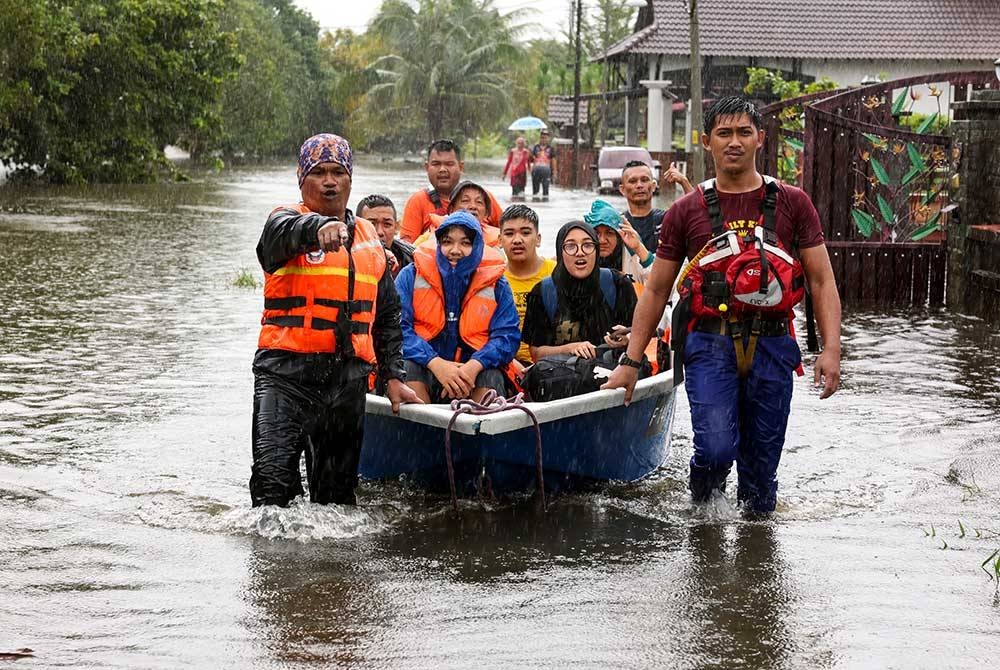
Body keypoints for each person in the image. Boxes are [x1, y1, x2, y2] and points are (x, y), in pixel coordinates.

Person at [602, 96, 842, 516]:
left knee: (761, 473)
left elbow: (821, 280)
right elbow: (657, 289)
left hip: (772, 344)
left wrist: (832, 349)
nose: (734, 142)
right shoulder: (684, 212)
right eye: (724, 133)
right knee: (715, 449)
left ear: (759, 139)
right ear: (706, 142)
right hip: (708, 344)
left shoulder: (792, 203)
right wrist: (631, 360)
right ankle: (704, 519)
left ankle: (756, 554)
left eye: (744, 132)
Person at [250, 133, 421, 508]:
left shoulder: (369, 239)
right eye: (319, 173)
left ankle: (331, 570)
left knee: (336, 504)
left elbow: (388, 317)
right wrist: (315, 228)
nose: (330, 181)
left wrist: (393, 376)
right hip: (286, 377)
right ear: (302, 179)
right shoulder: (284, 222)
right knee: (272, 493)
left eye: (338, 172)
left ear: (349, 179)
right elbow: (277, 238)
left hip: (346, 381)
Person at [395, 210, 520, 404]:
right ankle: (421, 429)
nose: (455, 250)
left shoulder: (498, 285)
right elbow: (397, 330)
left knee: (491, 375)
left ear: (477, 246)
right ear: (438, 244)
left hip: (473, 374)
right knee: (406, 367)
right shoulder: (409, 276)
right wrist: (436, 364)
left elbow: (507, 337)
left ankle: (478, 429)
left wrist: (474, 365)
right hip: (426, 369)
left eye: (465, 243)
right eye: (447, 242)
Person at [521, 221, 638, 362]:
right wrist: (570, 349)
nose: (580, 252)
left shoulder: (618, 284)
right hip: (563, 376)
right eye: (570, 246)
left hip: (613, 372)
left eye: (588, 245)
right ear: (560, 251)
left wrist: (627, 339)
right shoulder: (542, 293)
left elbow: (641, 334)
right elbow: (536, 353)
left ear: (596, 250)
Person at [400, 139, 504, 243]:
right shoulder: (417, 201)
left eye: (449, 164)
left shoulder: (484, 197)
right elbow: (406, 248)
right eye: (436, 164)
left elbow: (509, 232)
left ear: (461, 166)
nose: (442, 169)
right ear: (427, 167)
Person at [498, 204, 556, 365]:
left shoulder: (557, 274)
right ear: (500, 240)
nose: (517, 240)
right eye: (509, 233)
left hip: (553, 362)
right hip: (507, 363)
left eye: (525, 233)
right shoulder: (492, 278)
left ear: (538, 239)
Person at [619, 159, 693, 253]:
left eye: (644, 180)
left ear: (654, 186)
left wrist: (684, 181)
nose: (639, 185)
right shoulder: (619, 224)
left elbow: (696, 215)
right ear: (622, 189)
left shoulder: (667, 219)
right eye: (633, 181)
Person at [583, 199, 654, 285]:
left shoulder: (632, 257)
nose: (602, 240)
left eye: (609, 233)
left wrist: (638, 248)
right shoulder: (580, 257)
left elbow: (661, 287)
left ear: (618, 236)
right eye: (596, 233)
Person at [356, 194, 413, 278]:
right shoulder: (346, 257)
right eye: (371, 224)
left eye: (387, 224)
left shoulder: (411, 260)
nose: (379, 232)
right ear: (356, 226)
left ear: (396, 228)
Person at [502, 136, 533, 200]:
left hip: (522, 175)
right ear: (516, 143)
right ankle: (514, 207)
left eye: (522, 143)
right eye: (519, 143)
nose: (520, 145)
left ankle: (521, 206)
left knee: (521, 192)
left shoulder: (526, 152)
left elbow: (529, 162)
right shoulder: (512, 151)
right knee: (514, 193)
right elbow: (508, 163)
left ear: (524, 144)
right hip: (514, 174)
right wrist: (504, 174)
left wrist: (530, 171)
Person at [530, 130, 557, 200]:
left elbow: (553, 161)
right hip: (536, 170)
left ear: (548, 139)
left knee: (545, 190)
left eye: (545, 138)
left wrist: (554, 172)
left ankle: (545, 203)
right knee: (535, 191)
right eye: (542, 138)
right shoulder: (536, 147)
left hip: (546, 171)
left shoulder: (551, 149)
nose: (543, 139)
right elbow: (531, 159)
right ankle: (535, 202)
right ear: (540, 138)